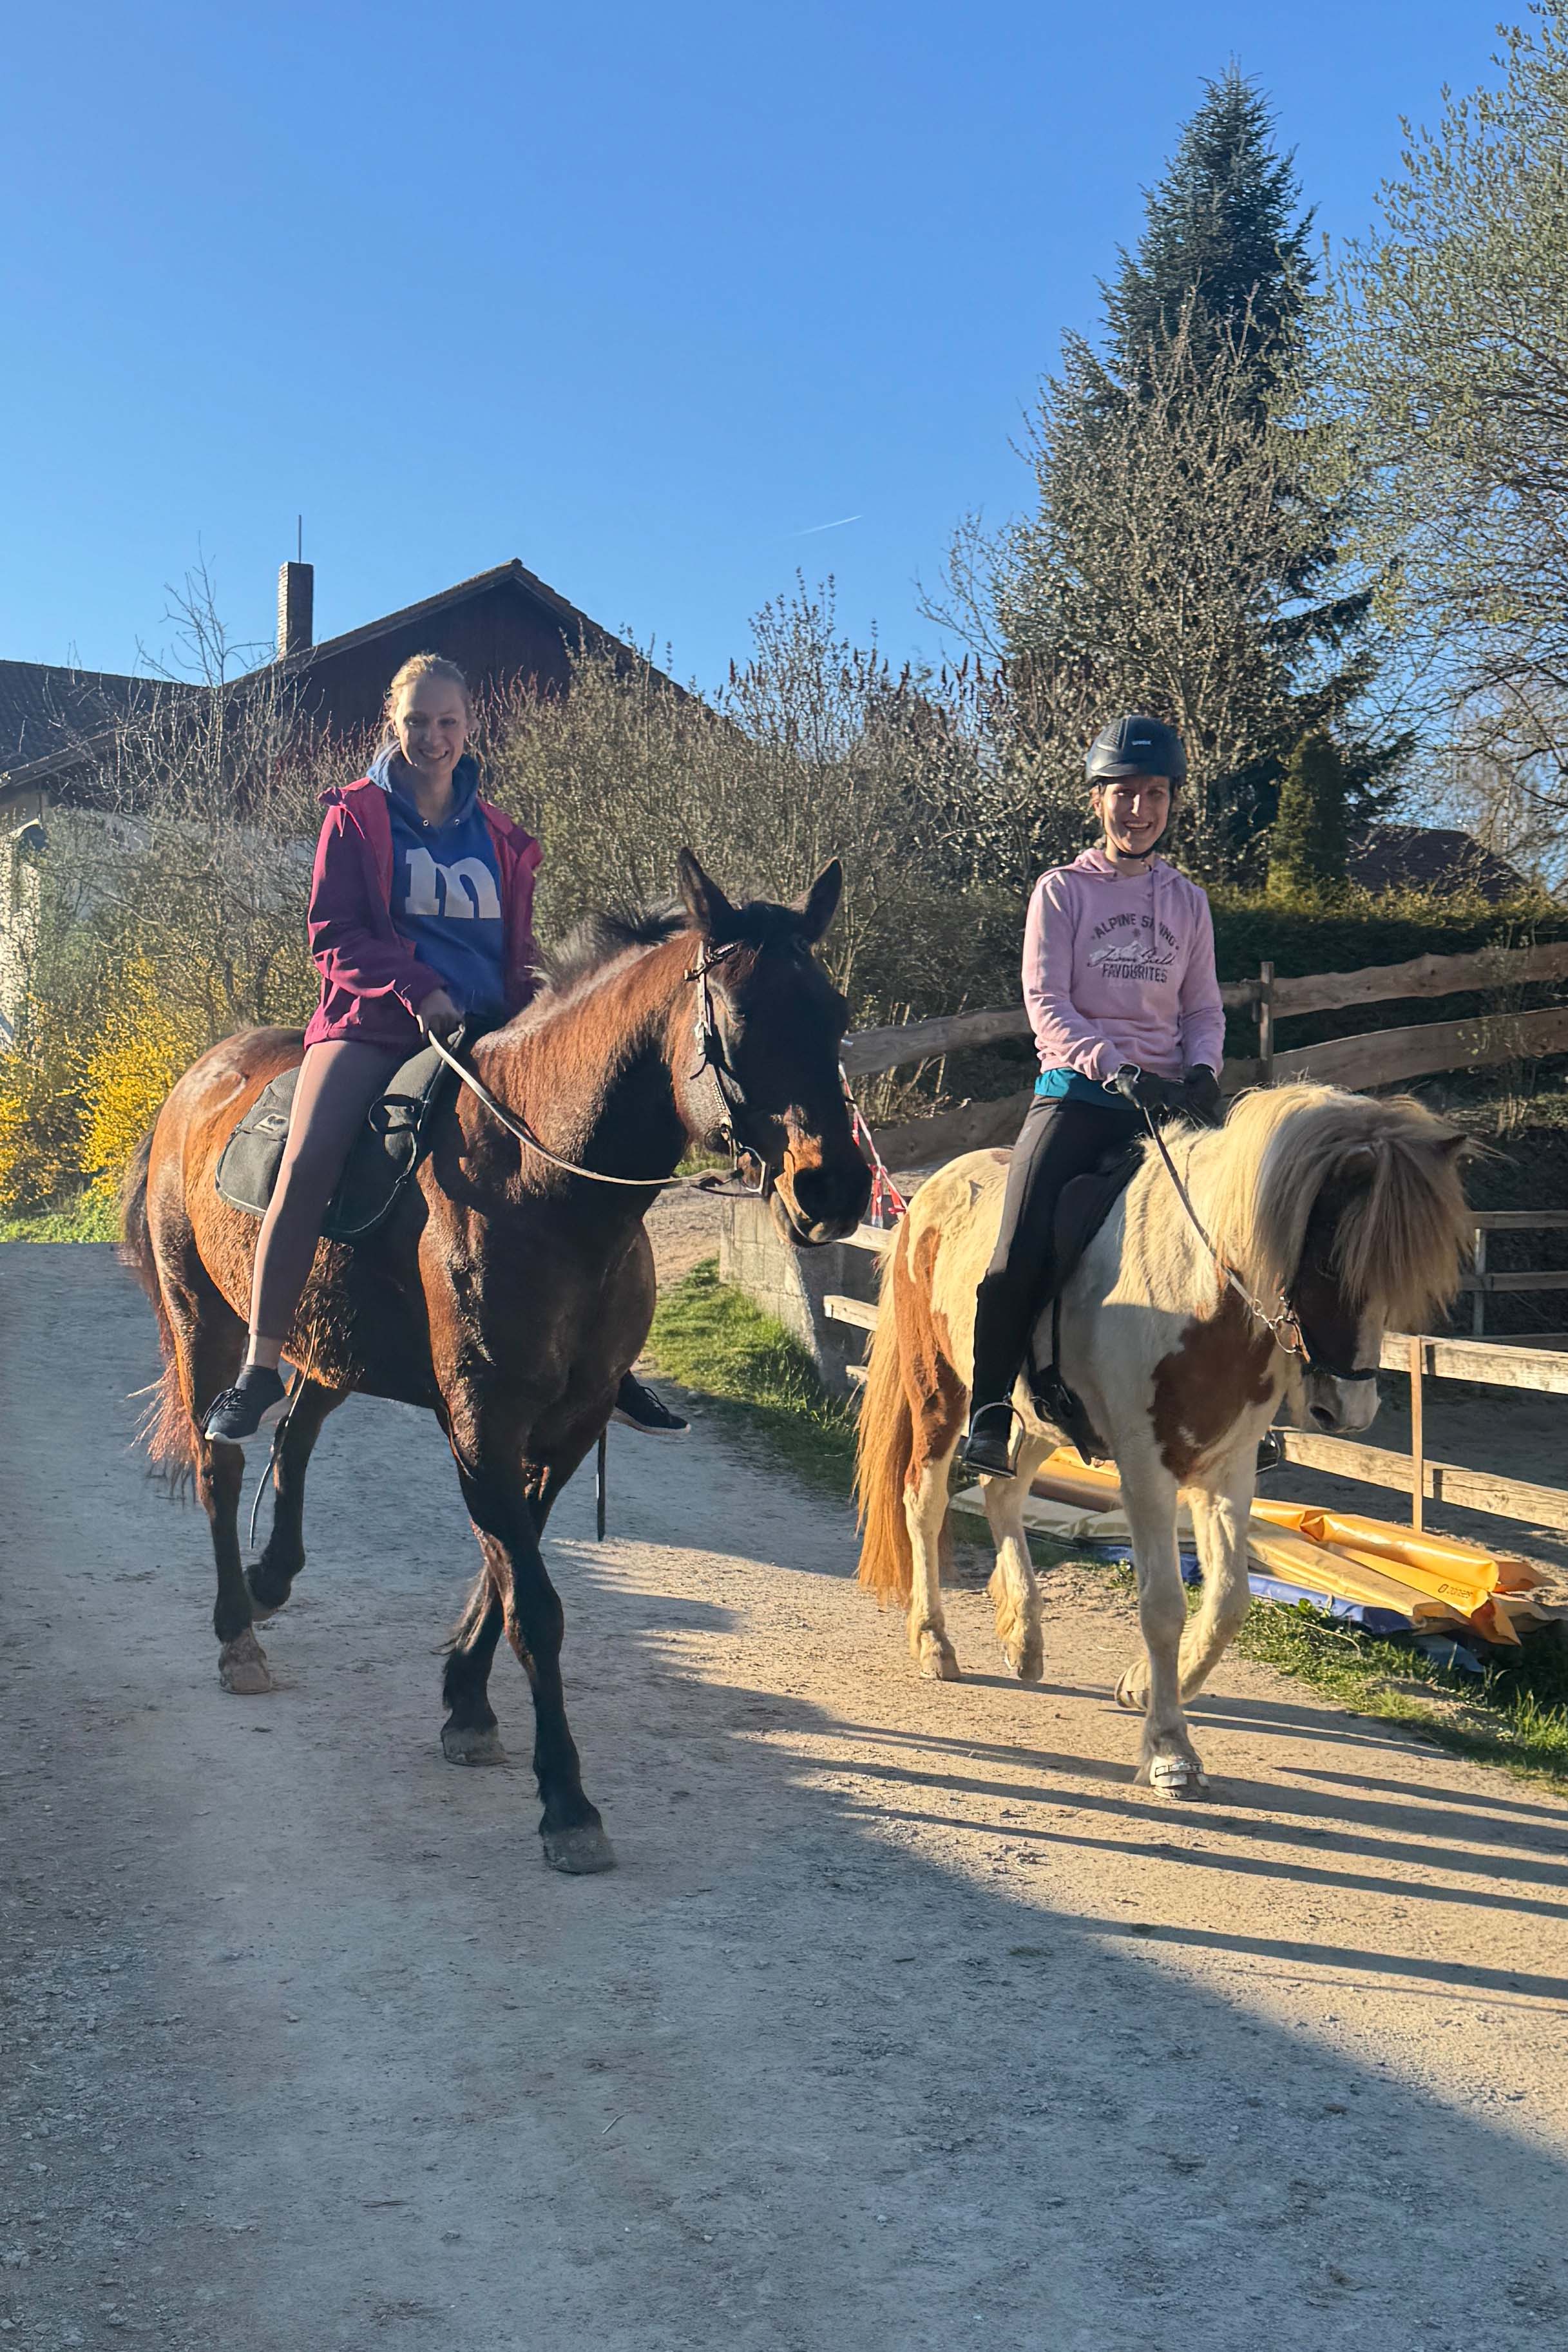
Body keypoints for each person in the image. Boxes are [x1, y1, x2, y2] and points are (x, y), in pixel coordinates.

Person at [203, 652, 687, 1444]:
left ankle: (607, 1362)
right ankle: (260, 1367)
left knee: (579, 1161)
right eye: (418, 721)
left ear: (469, 725)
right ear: (391, 723)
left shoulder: (500, 836)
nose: (433, 737)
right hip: (371, 1023)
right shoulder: (355, 816)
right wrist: (416, 987)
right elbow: (333, 935)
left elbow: (514, 949)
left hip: (488, 1027)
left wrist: (541, 1014)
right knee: (307, 1161)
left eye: (447, 722)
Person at [956, 713, 1225, 1476]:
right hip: (1078, 1094)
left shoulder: (1189, 902)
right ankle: (989, 1409)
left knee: (1243, 1230)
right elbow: (1046, 1003)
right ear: (1097, 800)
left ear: (1171, 802)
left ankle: (1241, 1404)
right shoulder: (1061, 892)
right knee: (1015, 1253)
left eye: (1154, 794)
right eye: (1123, 794)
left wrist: (1203, 1071)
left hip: (1168, 1102)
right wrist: (1112, 1066)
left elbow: (1202, 1008)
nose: (1139, 810)